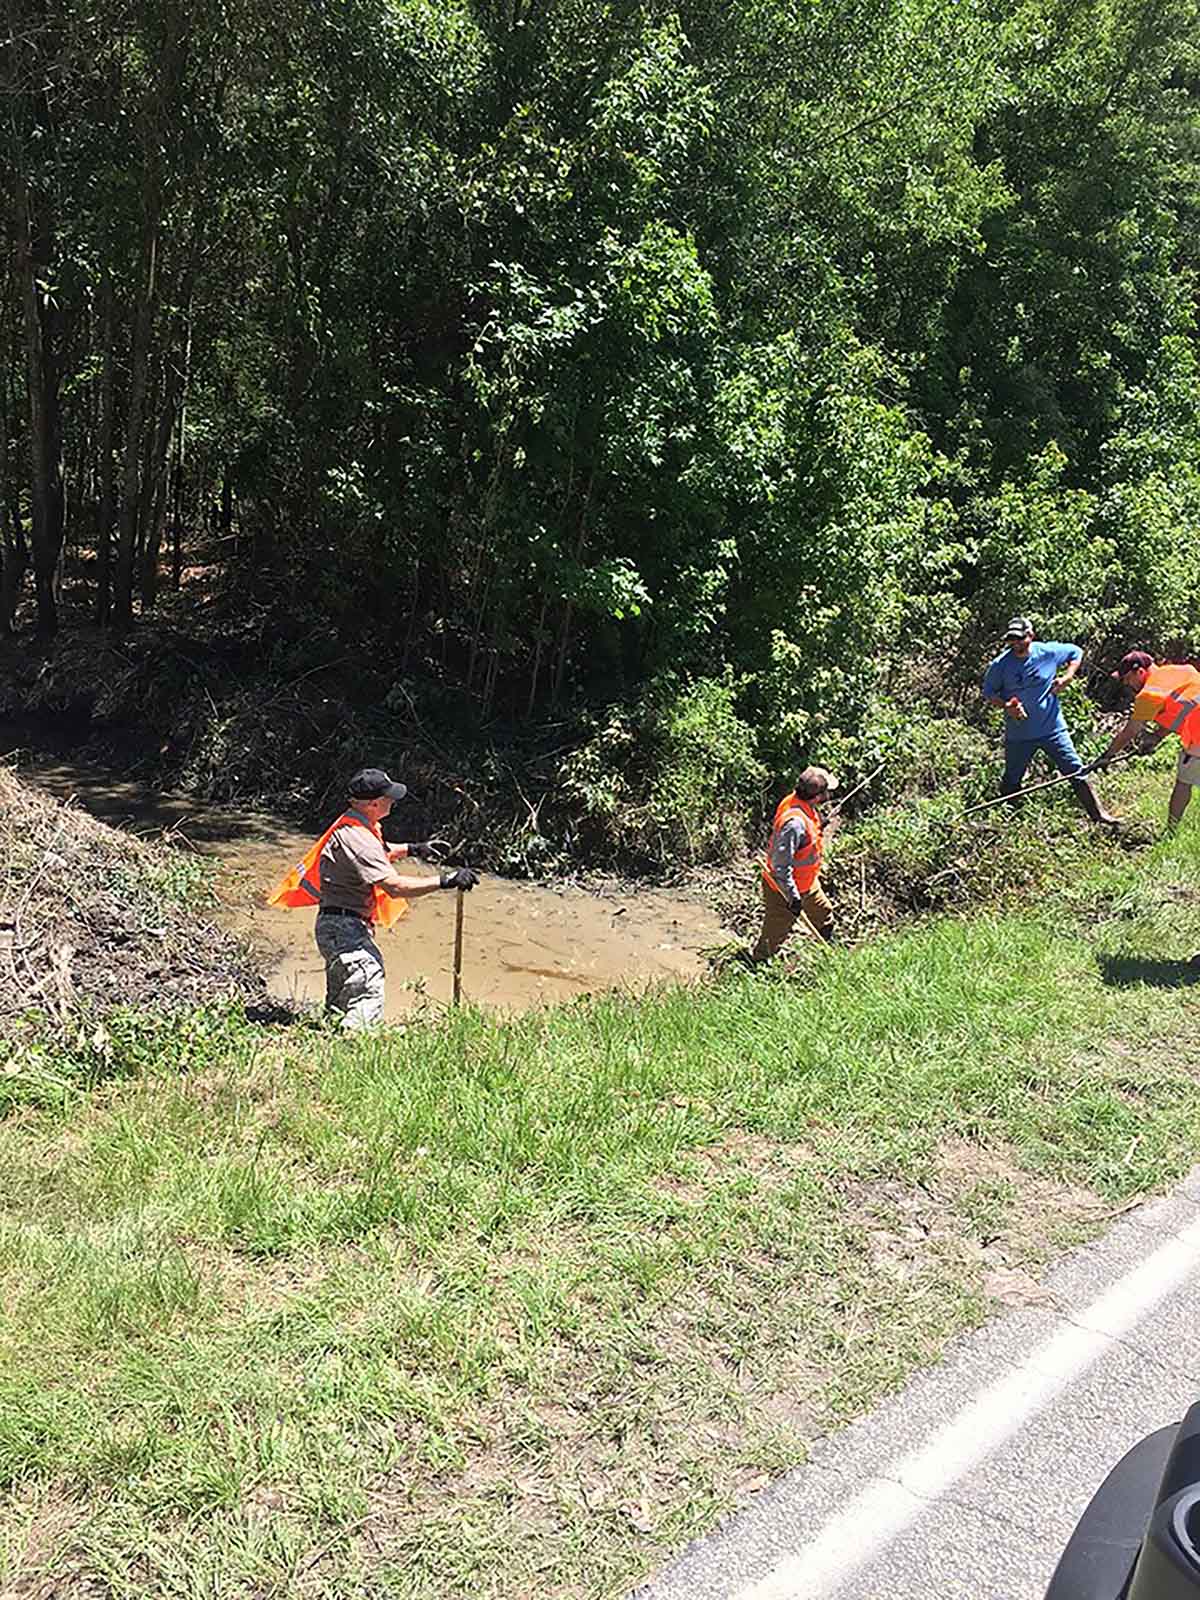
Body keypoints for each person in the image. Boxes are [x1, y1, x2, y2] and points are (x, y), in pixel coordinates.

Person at [269, 768, 478, 1028]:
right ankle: (355, 1045)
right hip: (345, 928)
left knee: (343, 997)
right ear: (374, 803)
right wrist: (445, 881)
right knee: (368, 982)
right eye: (389, 797)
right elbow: (394, 886)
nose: (393, 801)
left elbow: (377, 851)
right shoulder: (358, 838)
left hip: (335, 925)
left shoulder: (351, 826)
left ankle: (331, 1037)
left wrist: (414, 848)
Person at [981, 616, 1116, 824]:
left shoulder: (1047, 652)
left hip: (1053, 730)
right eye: (1011, 640)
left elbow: (1076, 652)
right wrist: (1006, 706)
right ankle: (1009, 824)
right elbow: (989, 692)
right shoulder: (1000, 665)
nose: (1015, 644)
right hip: (1019, 734)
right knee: (1011, 780)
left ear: (1030, 636)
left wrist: (1068, 677)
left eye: (1020, 639)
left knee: (1076, 771)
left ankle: (1099, 816)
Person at [1092, 651, 1200, 830]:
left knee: (1184, 782)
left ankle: (1171, 832)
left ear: (1140, 672)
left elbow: (1131, 731)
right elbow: (1182, 708)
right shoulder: (1180, 670)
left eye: (1127, 679)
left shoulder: (1149, 693)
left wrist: (1107, 756)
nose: (1127, 685)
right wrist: (1157, 736)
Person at [750, 765, 839, 963]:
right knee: (772, 938)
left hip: (807, 884)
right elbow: (780, 867)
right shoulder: (794, 824)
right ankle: (756, 968)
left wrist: (820, 826)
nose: (828, 796)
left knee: (823, 913)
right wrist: (792, 897)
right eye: (826, 793)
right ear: (816, 797)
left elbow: (805, 839)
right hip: (782, 890)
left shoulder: (798, 802)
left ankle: (828, 954)